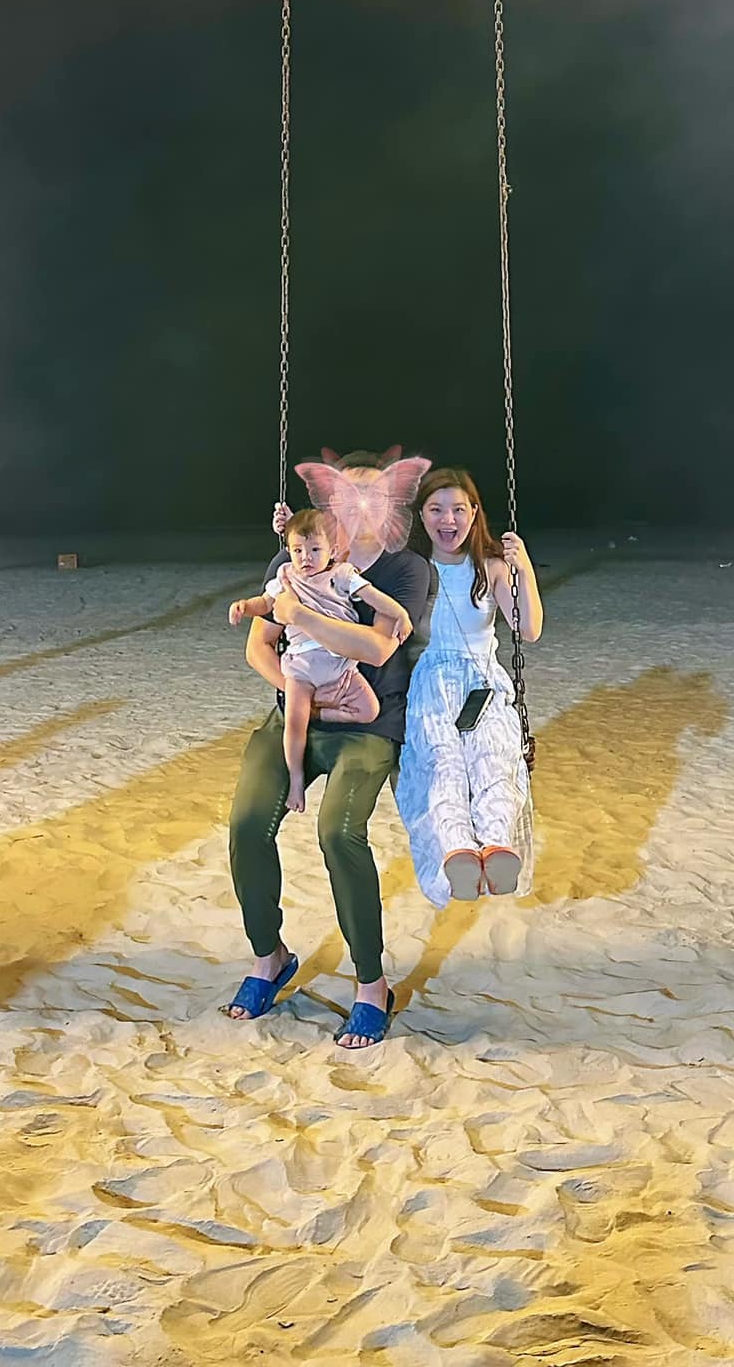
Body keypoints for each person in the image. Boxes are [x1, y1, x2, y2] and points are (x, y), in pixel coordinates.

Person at [224, 449, 433, 1049]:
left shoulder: (405, 569)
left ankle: (372, 984)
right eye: (347, 495)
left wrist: (301, 617)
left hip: (368, 723)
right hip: (298, 715)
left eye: (374, 496)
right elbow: (259, 646)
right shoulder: (292, 557)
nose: (360, 506)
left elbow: (378, 648)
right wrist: (305, 699)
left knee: (338, 833)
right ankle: (269, 957)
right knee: (246, 823)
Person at [396, 467, 543, 907]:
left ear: (474, 513)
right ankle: (458, 851)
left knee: (493, 758)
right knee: (443, 766)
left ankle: (497, 846)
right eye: (436, 509)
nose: (449, 520)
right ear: (421, 516)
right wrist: (290, 534)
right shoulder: (412, 570)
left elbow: (528, 628)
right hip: (432, 683)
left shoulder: (491, 567)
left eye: (459, 509)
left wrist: (523, 567)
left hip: (483, 682)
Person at [228, 506, 413, 810]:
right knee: (294, 724)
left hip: (340, 665)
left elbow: (375, 598)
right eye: (298, 550)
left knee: (369, 710)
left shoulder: (342, 574)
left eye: (315, 550)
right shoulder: (285, 576)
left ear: (333, 551)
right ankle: (296, 780)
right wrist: (244, 607)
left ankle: (324, 714)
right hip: (301, 668)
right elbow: (265, 603)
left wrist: (401, 614)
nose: (306, 558)